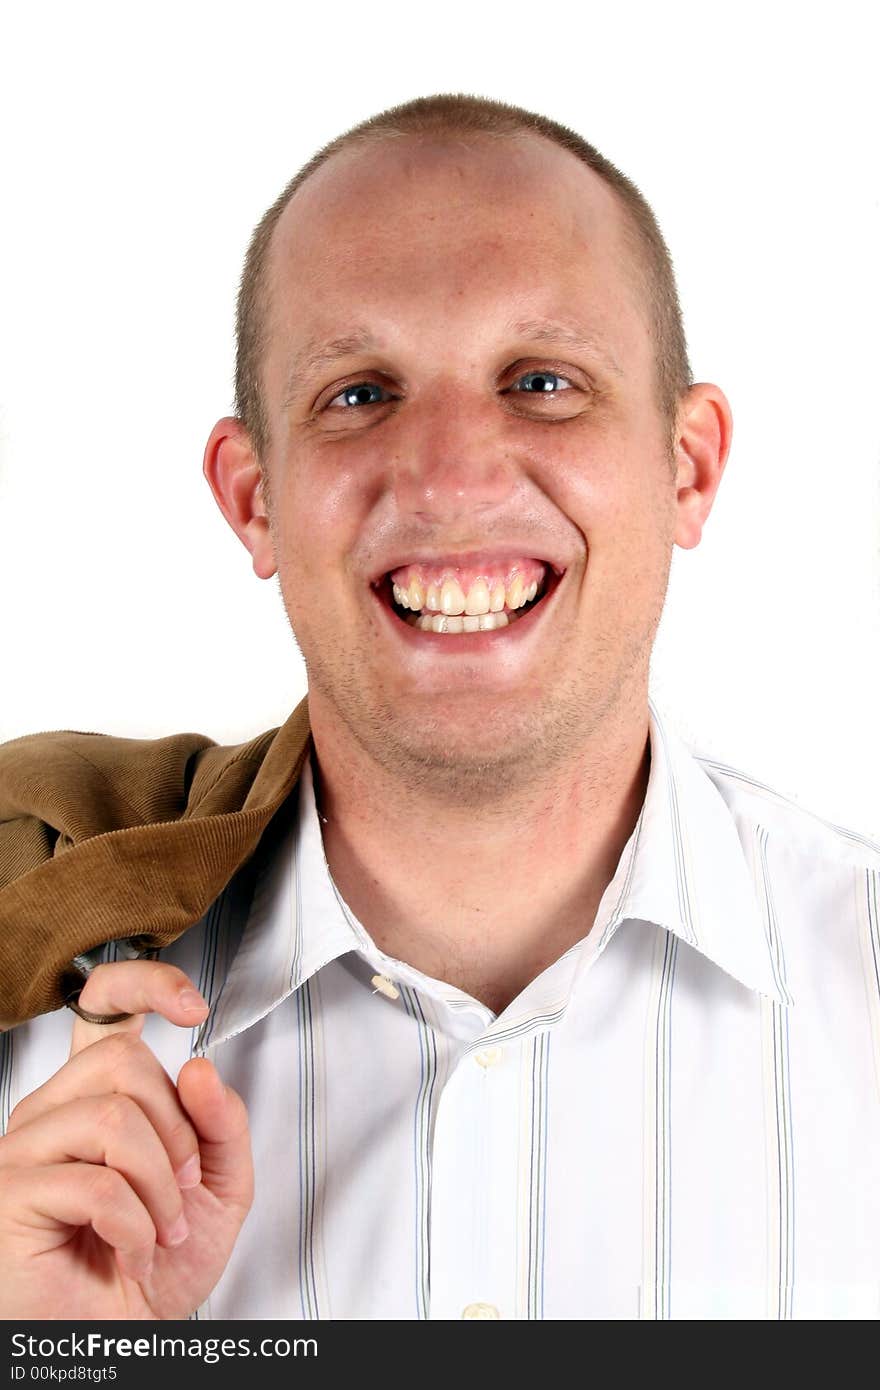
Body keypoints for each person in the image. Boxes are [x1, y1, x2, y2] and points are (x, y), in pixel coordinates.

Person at [1, 92, 878, 1322]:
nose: (453, 477)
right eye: (359, 393)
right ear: (253, 499)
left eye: (541, 381)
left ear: (688, 466)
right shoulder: (30, 1042)